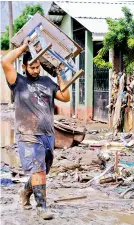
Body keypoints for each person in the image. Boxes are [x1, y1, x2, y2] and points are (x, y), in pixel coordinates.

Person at [1, 38, 70, 220]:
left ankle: (25, 192)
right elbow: (5, 61)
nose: (36, 70)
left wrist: (60, 74)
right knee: (38, 170)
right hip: (28, 133)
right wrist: (23, 47)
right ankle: (42, 207)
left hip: (47, 134)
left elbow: (65, 96)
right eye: (32, 66)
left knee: (41, 172)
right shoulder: (18, 81)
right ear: (24, 67)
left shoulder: (48, 82)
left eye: (38, 66)